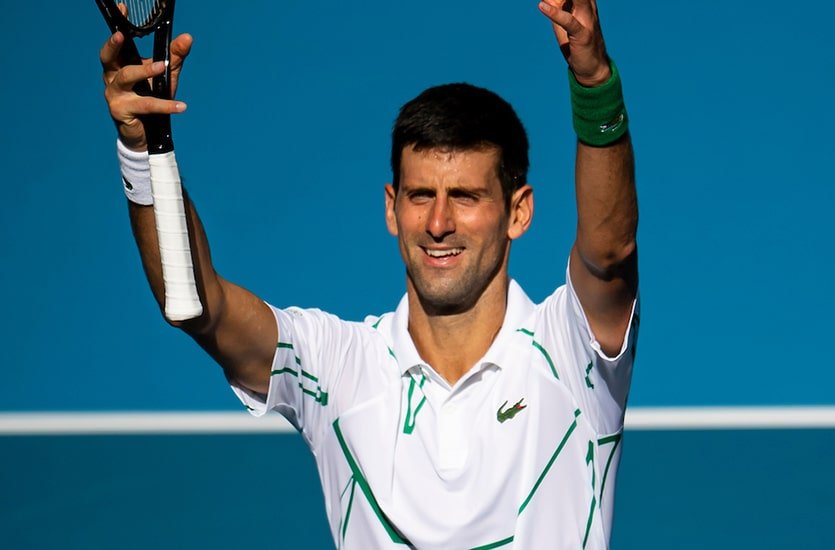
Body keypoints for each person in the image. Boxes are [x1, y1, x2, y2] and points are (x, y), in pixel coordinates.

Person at [99, 0, 638, 548]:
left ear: (518, 212)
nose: (438, 223)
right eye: (420, 195)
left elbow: (611, 252)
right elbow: (193, 302)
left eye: (466, 197)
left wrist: (594, 83)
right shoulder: (337, 368)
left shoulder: (571, 353)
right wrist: (145, 150)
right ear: (391, 207)